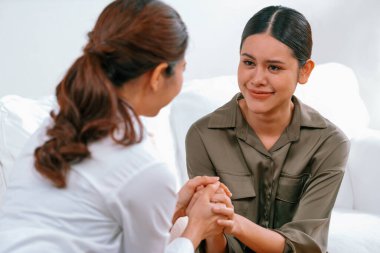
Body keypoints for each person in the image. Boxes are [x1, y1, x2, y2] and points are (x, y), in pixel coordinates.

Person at [0, 0, 231, 252]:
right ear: (157, 76)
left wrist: (171, 206)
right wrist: (195, 229)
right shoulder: (145, 167)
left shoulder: (58, 123)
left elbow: (86, 222)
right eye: (182, 69)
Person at [186, 5, 350, 253]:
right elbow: (211, 245)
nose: (257, 78)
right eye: (249, 62)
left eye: (274, 67)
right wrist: (213, 227)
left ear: (304, 71)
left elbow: (305, 247)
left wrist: (233, 222)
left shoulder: (330, 143)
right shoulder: (203, 135)